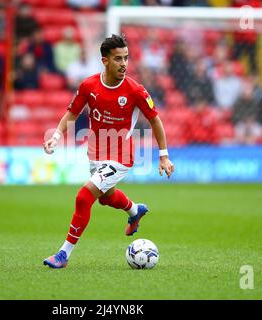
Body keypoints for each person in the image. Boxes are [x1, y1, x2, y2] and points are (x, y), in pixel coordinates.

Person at [42, 34, 174, 269]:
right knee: (105, 197)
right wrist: (55, 136)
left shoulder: (135, 90)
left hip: (121, 155)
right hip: (96, 152)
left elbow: (156, 120)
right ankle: (135, 210)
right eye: (118, 59)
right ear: (105, 61)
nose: (124, 64)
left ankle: (63, 254)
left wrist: (163, 155)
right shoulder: (89, 85)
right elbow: (72, 113)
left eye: (126, 58)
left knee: (84, 196)